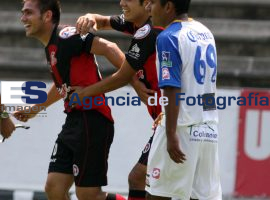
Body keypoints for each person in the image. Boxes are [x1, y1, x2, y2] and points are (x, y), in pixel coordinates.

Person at [15, 0, 126, 199]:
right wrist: (35, 109)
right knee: (54, 188)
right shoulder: (51, 47)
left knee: (89, 195)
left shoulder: (66, 36)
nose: (23, 18)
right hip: (74, 121)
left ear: (47, 16)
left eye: (28, 13)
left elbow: (110, 47)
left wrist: (135, 78)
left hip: (93, 119)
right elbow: (62, 88)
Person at [75, 1, 163, 199]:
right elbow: (103, 21)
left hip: (173, 120)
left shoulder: (149, 32)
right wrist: (90, 17)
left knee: (140, 178)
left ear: (147, 4)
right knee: (143, 180)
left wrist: (83, 94)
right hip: (168, 121)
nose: (122, 2)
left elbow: (122, 75)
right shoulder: (135, 23)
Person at [145, 0, 222, 199]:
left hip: (181, 129)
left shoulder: (168, 37)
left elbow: (171, 87)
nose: (148, 8)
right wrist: (205, 120)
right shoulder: (205, 32)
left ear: (168, 6)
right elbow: (207, 87)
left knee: (157, 194)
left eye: (152, 3)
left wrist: (171, 133)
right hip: (208, 129)